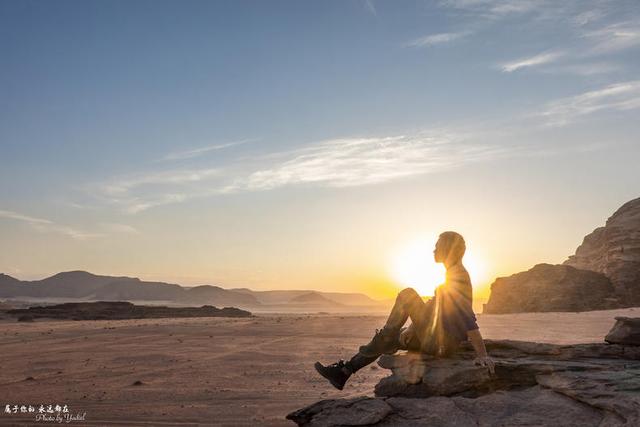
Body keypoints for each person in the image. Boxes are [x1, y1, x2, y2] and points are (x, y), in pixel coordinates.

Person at [314, 231, 495, 390]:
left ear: (448, 249)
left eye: (437, 246)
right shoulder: (451, 276)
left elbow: (468, 319)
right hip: (436, 340)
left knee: (407, 295)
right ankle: (345, 371)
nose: (433, 250)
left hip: (442, 344)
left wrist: (483, 355)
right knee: (392, 337)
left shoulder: (459, 277)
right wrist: (412, 328)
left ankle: (382, 338)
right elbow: (434, 306)